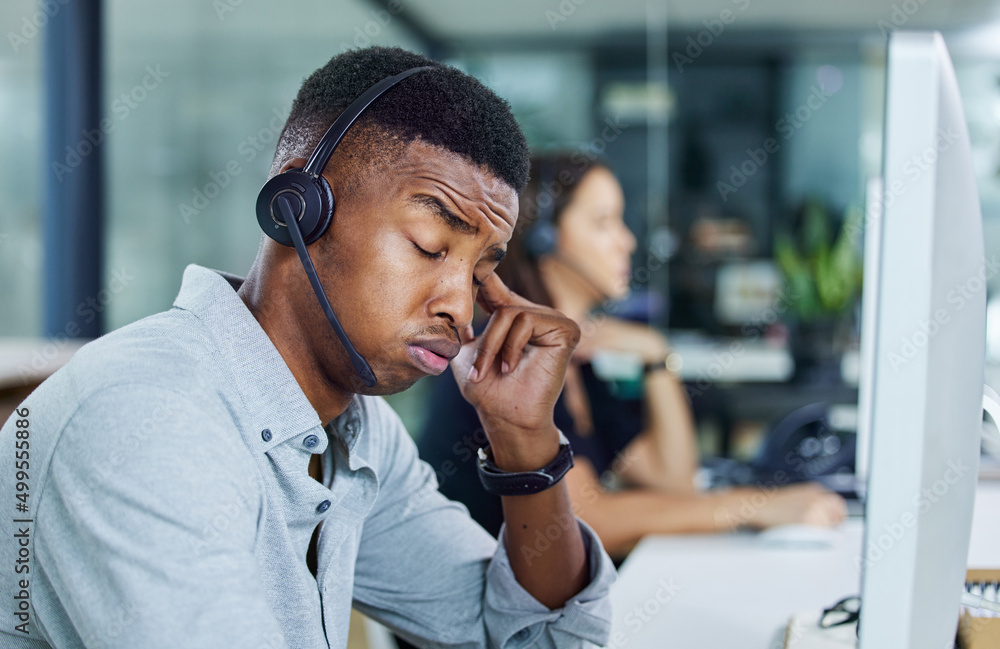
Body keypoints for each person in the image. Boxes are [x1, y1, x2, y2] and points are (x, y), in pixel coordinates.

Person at [0, 49, 616, 649]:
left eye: (481, 268)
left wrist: (523, 441)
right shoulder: (146, 419)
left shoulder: (356, 433)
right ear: (297, 206)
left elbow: (538, 638)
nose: (461, 306)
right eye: (430, 245)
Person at [417, 154, 847, 559]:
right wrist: (753, 506)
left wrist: (655, 355)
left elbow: (673, 480)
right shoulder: (503, 354)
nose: (627, 240)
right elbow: (584, 520)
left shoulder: (583, 364)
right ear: (543, 240)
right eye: (604, 223)